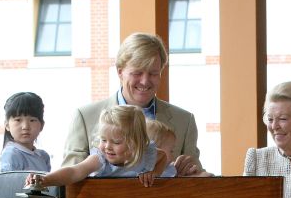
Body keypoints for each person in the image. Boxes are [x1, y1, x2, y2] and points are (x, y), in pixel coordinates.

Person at [62, 32, 204, 176]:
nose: (145, 81)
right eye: (137, 73)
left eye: (153, 73)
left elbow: (197, 178)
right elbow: (69, 187)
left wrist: (192, 171)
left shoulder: (185, 121)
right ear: (120, 72)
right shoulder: (85, 117)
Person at [27, 105, 166, 198]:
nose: (107, 147)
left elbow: (162, 157)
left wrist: (154, 173)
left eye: (116, 142)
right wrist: (45, 179)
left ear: (136, 143)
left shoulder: (146, 153)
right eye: (103, 140)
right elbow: (74, 171)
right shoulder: (100, 159)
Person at [0, 92, 51, 172]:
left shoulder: (43, 156)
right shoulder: (11, 154)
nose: (25, 127)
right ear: (7, 125)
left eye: (32, 120)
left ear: (42, 125)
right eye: (18, 120)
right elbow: (8, 183)